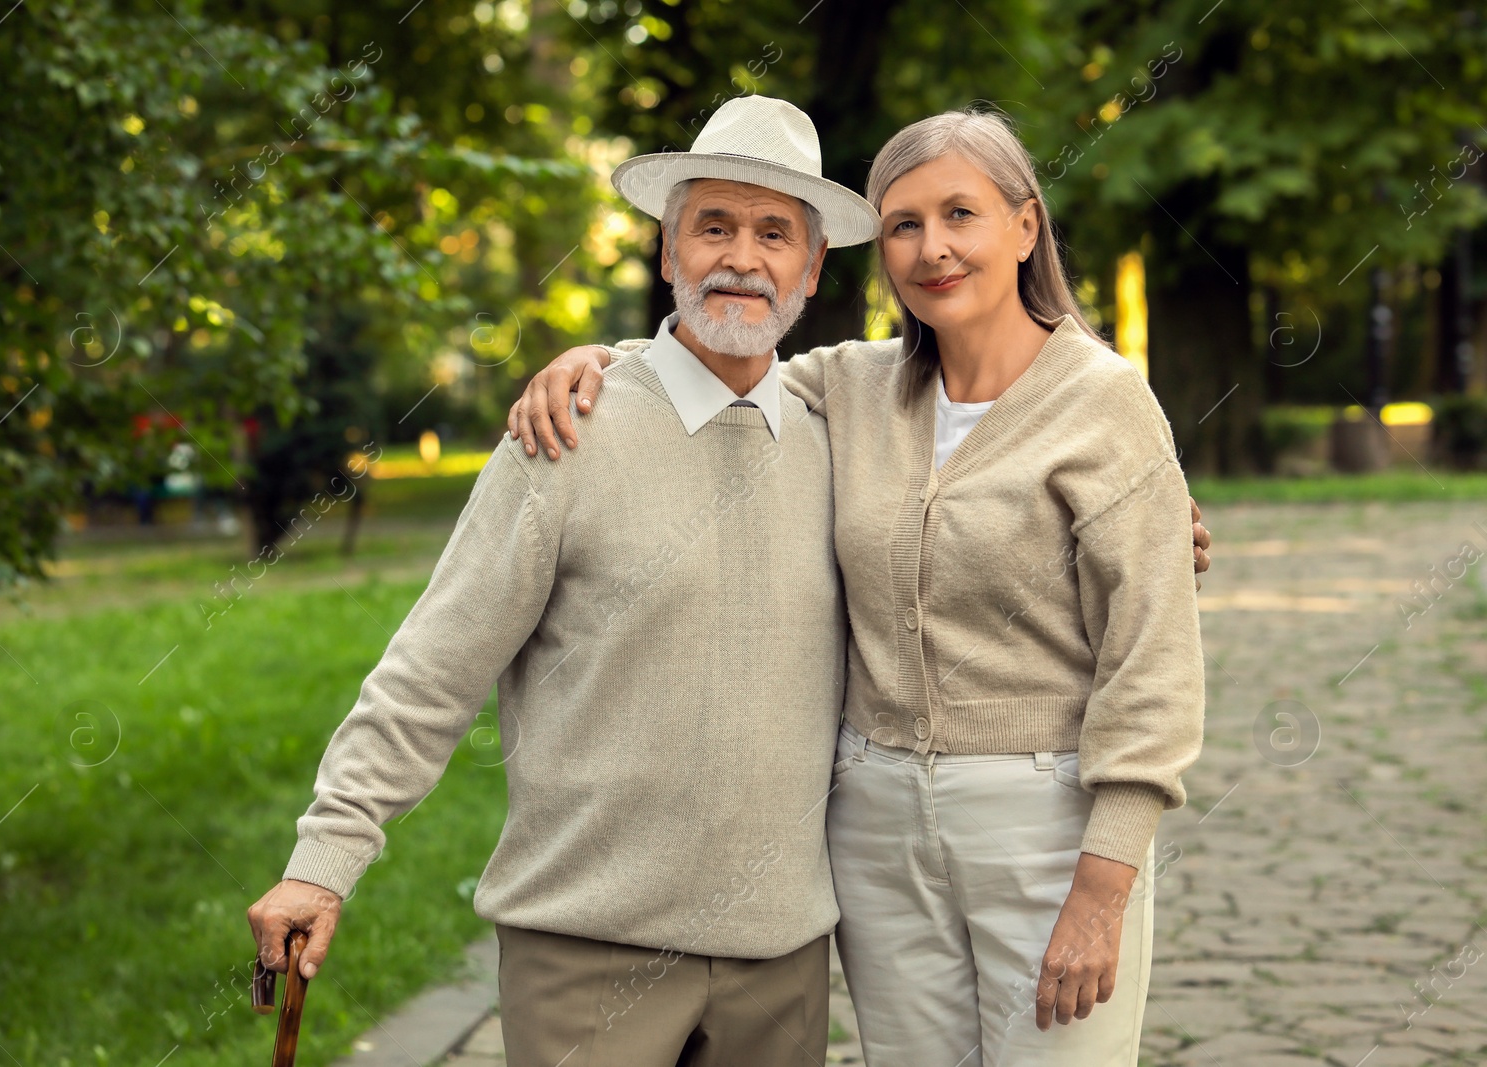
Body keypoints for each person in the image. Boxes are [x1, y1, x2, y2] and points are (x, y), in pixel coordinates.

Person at [511, 105, 1210, 1065]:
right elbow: (718, 352)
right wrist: (598, 361)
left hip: (1044, 826)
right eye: (903, 225)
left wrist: (1105, 882)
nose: (932, 249)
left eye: (959, 214)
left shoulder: (1106, 402)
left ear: (1025, 226)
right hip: (874, 823)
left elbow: (1154, 660)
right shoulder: (851, 386)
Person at [247, 95, 884, 1067]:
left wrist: (1138, 508)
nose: (741, 258)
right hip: (585, 952)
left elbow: (993, 449)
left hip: (780, 958)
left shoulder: (845, 438)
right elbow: (434, 664)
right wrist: (324, 860)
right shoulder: (567, 432)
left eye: (772, 233)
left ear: (812, 264)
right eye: (712, 226)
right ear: (668, 252)